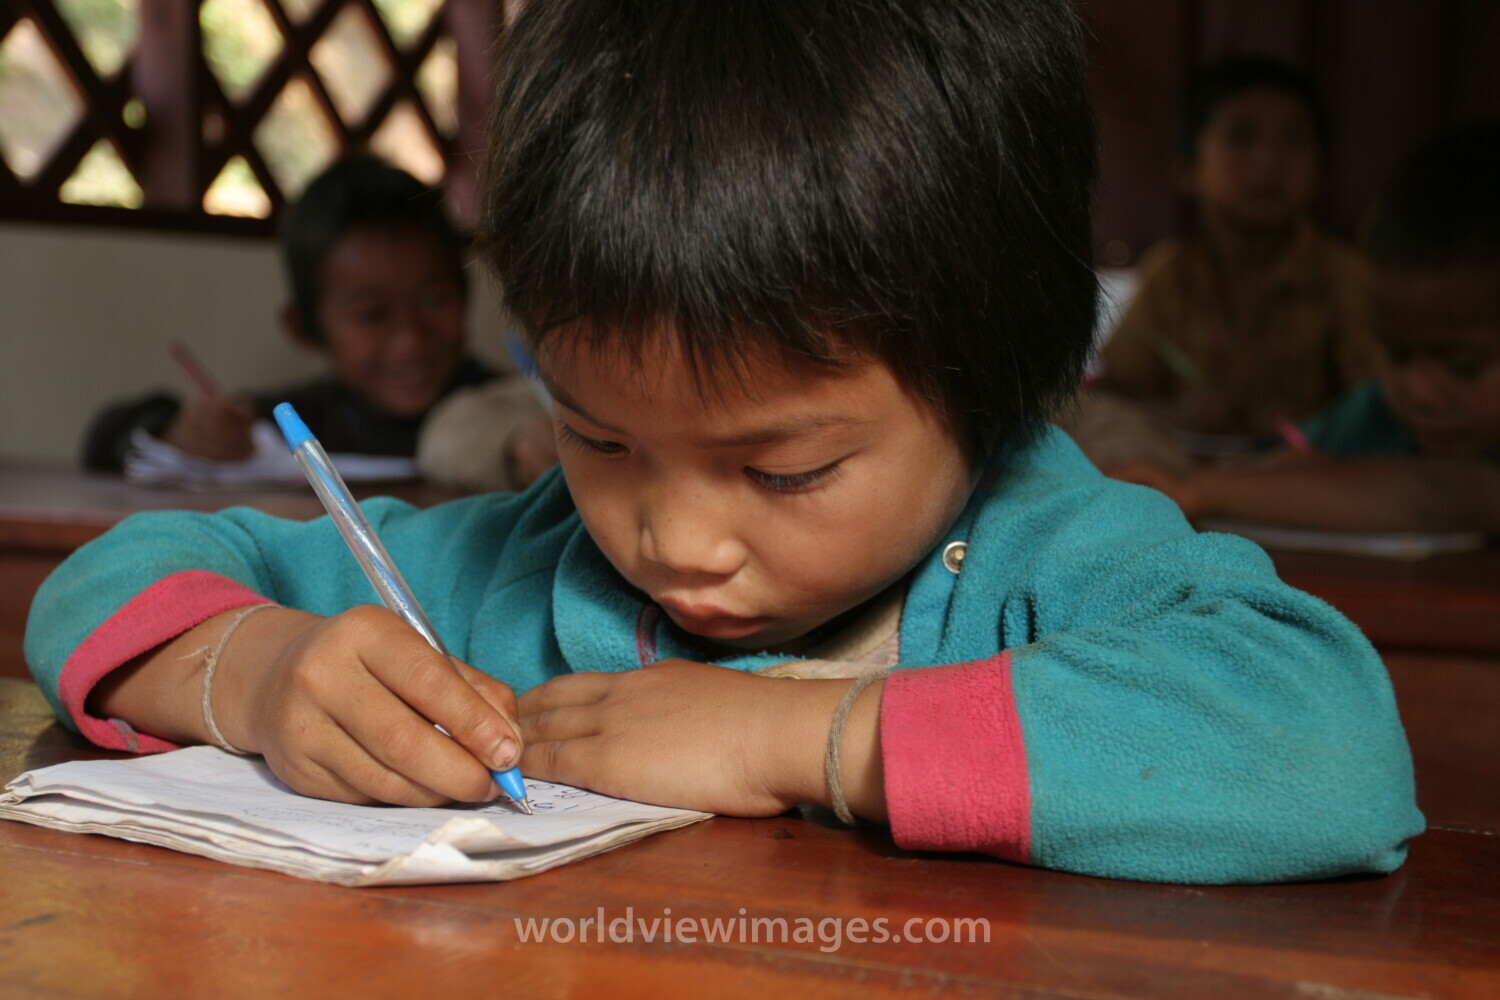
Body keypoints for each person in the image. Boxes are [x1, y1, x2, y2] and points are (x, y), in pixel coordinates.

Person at [26, 0, 1421, 885]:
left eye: (787, 470)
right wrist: (258, 676)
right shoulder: (515, 570)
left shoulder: (1052, 555)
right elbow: (122, 572)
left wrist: (804, 739)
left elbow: (1329, 747)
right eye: (597, 435)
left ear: (992, 381)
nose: (673, 542)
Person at [1111, 121, 1500, 533]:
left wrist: (1199, 491)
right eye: (1397, 356)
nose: (1421, 392)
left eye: (1464, 366)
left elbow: (1437, 496)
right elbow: (1286, 459)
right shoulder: (1378, 413)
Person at [80, 154, 555, 490]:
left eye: (434, 301)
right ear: (304, 326)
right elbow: (101, 439)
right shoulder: (283, 427)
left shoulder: (513, 412)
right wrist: (174, 431)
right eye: (371, 314)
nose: (411, 339)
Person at [1094, 55, 1377, 448]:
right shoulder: (1171, 272)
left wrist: (1311, 427)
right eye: (1241, 137)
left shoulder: (1345, 277)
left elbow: (1382, 410)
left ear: (1322, 169)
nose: (1268, 162)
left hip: (1301, 482)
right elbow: (1114, 391)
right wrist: (1179, 414)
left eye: (1294, 140)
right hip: (1185, 478)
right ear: (1187, 170)